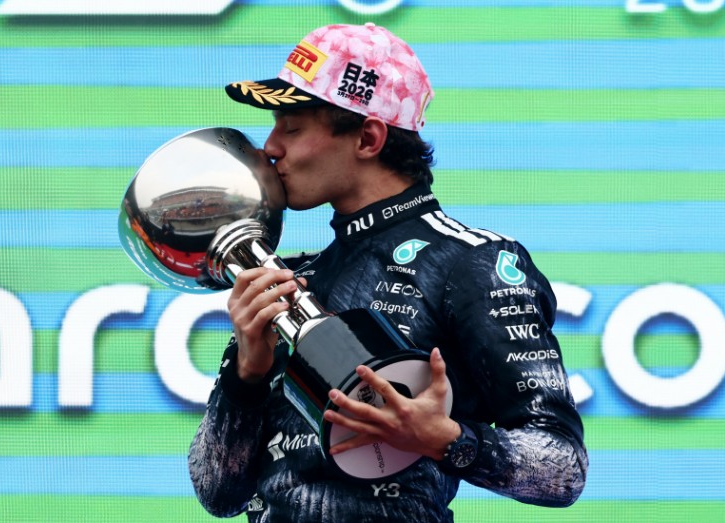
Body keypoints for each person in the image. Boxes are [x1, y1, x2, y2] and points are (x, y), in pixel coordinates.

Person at [188, 22, 588, 522]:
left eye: (291, 126)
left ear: (368, 137)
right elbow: (216, 492)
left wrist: (445, 440)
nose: (270, 147)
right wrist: (245, 374)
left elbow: (564, 469)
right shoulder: (287, 279)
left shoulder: (473, 263)